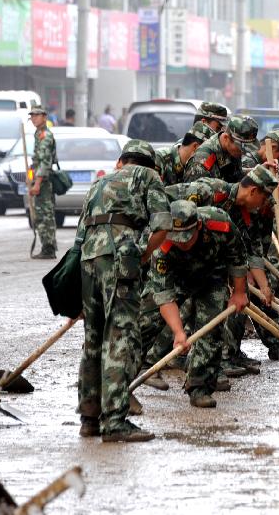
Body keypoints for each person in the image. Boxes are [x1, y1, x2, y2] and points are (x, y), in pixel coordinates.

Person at [74, 139, 172, 442]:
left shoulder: (98, 184)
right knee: (120, 336)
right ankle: (115, 421)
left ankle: (89, 418)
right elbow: (163, 225)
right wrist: (141, 255)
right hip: (120, 256)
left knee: (93, 337)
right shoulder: (149, 177)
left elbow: (80, 235)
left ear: (121, 161)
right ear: (149, 164)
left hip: (89, 258)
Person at [148, 201, 249, 408]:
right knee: (145, 322)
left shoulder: (219, 223)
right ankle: (130, 374)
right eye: (177, 239)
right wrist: (178, 333)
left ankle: (199, 387)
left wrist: (239, 292)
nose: (182, 243)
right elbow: (165, 297)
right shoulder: (162, 245)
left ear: (199, 226)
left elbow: (237, 258)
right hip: (177, 279)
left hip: (212, 275)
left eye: (186, 238)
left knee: (210, 330)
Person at [184, 115, 259, 183]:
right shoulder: (201, 161)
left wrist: (257, 172)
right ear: (226, 138)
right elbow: (195, 194)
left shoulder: (232, 151)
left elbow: (236, 174)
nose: (243, 152)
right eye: (241, 147)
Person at [28, 106, 58, 259]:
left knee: (45, 214)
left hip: (44, 181)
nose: (34, 118)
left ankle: (49, 247)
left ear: (44, 117)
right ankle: (47, 246)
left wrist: (37, 183)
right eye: (32, 116)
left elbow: (45, 162)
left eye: (37, 115)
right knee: (41, 213)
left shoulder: (45, 136)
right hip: (40, 179)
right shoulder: (38, 134)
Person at [155, 121, 211, 186]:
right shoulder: (160, 158)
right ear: (195, 146)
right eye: (205, 151)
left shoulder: (193, 167)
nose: (206, 156)